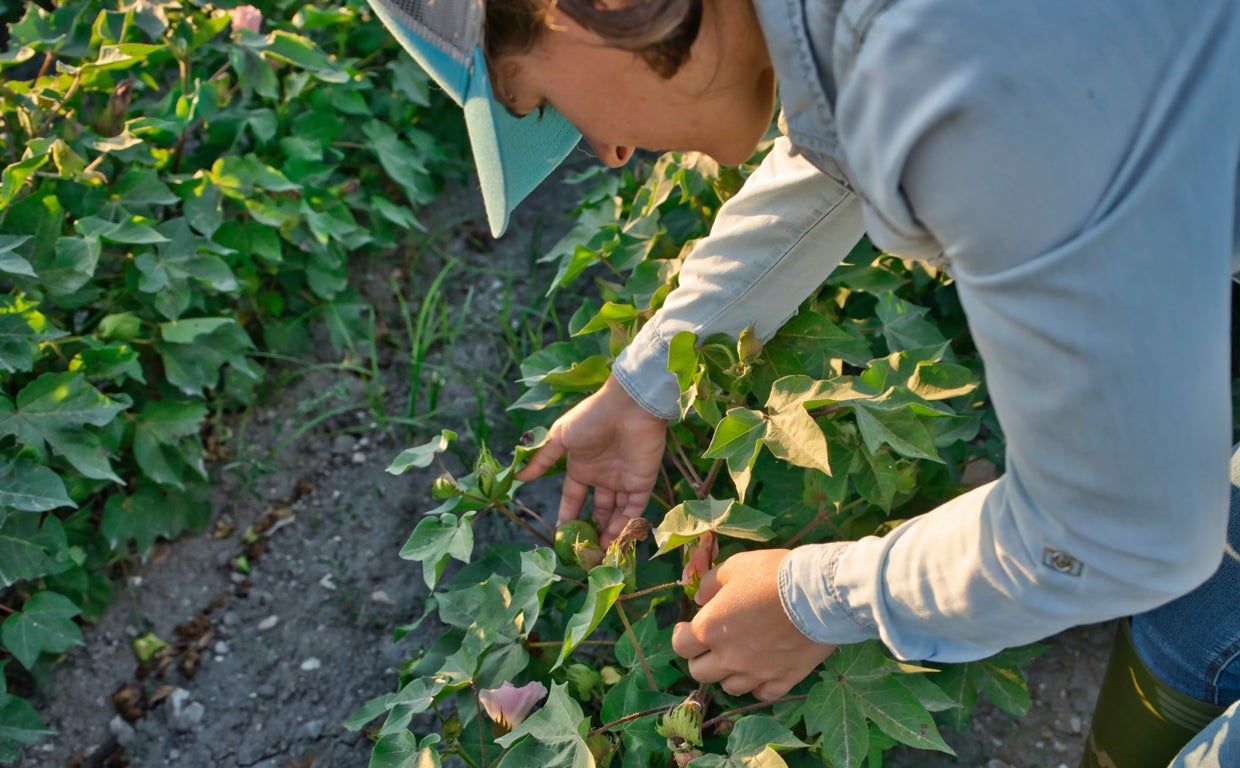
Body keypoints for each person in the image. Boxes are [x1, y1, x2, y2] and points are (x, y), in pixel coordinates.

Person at [367, 0, 1240, 764]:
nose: (608, 150)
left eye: (546, 104)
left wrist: (811, 601)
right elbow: (845, 145)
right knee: (1200, 624)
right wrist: (647, 379)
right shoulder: (875, 36)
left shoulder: (958, 58)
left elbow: (1120, 530)